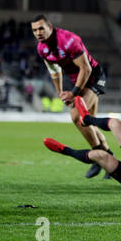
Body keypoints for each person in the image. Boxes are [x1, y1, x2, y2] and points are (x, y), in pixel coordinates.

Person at [31, 14, 111, 179]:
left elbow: (86, 69)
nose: (38, 32)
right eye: (34, 30)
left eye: (41, 28)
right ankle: (108, 158)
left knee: (77, 116)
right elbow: (54, 71)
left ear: (50, 27)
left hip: (95, 77)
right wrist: (60, 93)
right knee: (90, 124)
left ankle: (98, 157)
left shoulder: (69, 40)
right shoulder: (42, 48)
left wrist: (73, 93)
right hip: (81, 82)